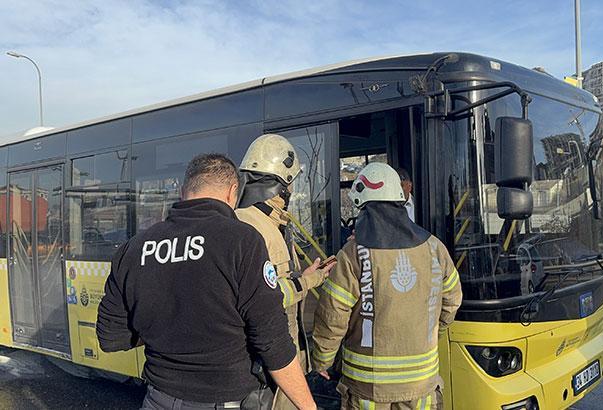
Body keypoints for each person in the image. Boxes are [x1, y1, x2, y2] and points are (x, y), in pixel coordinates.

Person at [96, 153, 316, 410]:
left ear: (182, 191)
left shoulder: (133, 249)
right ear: (233, 192)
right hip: (224, 400)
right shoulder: (242, 241)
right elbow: (272, 341)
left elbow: (110, 338)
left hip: (157, 400)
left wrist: (170, 327)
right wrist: (308, 406)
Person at [311, 163, 463, 409]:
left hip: (367, 390)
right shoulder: (435, 248)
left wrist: (321, 362)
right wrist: (428, 333)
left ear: (364, 207)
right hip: (422, 388)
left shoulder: (353, 254)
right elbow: (452, 301)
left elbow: (332, 317)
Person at [236, 134, 336, 410]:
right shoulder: (251, 228)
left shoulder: (272, 224)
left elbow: (280, 286)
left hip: (281, 363)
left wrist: (310, 277)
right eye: (290, 184)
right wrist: (305, 282)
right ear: (282, 185)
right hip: (265, 371)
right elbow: (262, 301)